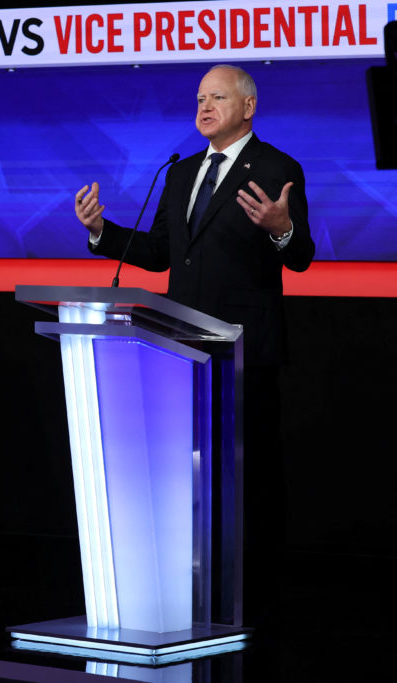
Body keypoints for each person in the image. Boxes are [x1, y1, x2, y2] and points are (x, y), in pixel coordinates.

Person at [74, 65, 315, 629]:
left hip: (244, 350)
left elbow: (299, 255)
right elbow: (161, 253)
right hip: (179, 346)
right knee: (193, 473)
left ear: (249, 106)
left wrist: (280, 228)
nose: (204, 107)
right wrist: (101, 231)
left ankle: (262, 595)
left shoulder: (278, 168)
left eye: (218, 97)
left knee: (251, 472)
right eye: (200, 98)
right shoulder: (181, 173)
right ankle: (198, 583)